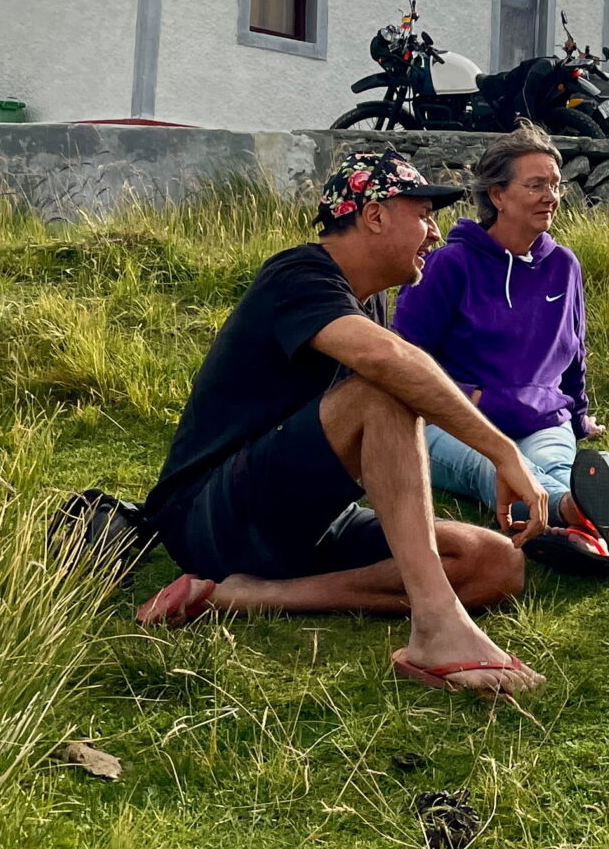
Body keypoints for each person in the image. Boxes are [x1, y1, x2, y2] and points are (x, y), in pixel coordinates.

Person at [139, 147, 551, 695]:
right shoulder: (296, 274)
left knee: (495, 563)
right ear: (374, 214)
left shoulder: (366, 302)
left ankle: (249, 596)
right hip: (212, 518)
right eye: (423, 215)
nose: (434, 233)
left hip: (305, 520)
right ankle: (437, 626)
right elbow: (386, 362)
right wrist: (502, 451)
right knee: (384, 388)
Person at [391, 132, 609, 568]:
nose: (551, 197)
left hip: (539, 421)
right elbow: (403, 360)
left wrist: (579, 418)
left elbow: (574, 355)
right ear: (497, 195)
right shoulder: (448, 265)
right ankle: (575, 510)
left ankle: (571, 528)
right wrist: (469, 397)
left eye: (555, 185)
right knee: (494, 473)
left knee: (554, 468)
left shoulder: (564, 265)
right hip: (455, 422)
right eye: (536, 185)